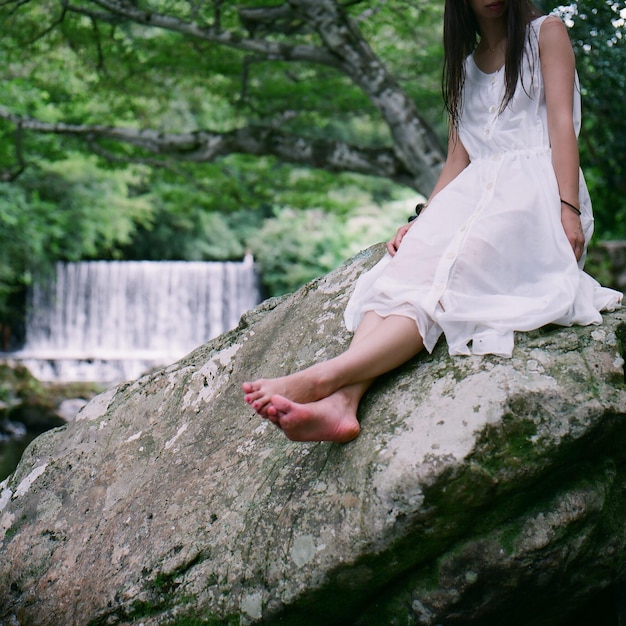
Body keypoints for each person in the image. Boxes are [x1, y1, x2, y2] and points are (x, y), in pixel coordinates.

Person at [242, 0, 623, 443]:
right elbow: (457, 158)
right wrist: (422, 219)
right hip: (472, 195)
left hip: (534, 191)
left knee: (451, 276)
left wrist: (568, 208)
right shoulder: (466, 65)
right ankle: (342, 404)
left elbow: (562, 124)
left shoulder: (547, 33)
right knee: (399, 271)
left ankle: (322, 379)